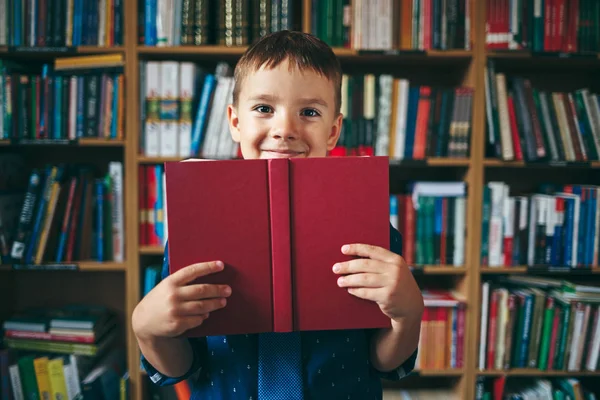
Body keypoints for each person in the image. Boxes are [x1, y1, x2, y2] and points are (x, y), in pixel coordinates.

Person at [132, 30, 424, 400]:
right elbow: (184, 367)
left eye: (309, 112)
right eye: (264, 108)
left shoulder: (370, 228)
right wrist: (147, 330)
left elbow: (383, 363)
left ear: (333, 131)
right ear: (235, 122)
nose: (285, 129)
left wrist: (408, 314)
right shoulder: (198, 227)